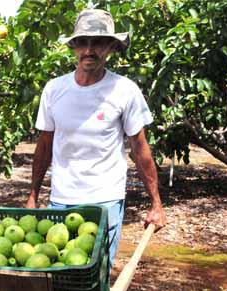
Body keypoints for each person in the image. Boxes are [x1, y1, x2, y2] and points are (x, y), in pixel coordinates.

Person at [25, 8, 167, 268]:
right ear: (74, 47)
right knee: (58, 273)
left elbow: (139, 148)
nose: (89, 50)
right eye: (83, 42)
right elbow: (44, 146)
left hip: (105, 200)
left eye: (98, 42)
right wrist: (33, 195)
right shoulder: (54, 89)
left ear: (111, 47)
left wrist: (156, 203)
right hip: (61, 199)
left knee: (96, 275)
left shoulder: (125, 91)